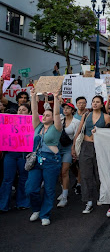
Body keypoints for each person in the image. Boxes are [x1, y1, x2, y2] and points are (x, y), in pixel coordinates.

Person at [25, 88, 62, 226]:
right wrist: (33, 97)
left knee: (49, 189)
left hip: (51, 161)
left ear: (52, 118)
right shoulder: (38, 127)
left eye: (48, 115)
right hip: (36, 161)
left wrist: (56, 98)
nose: (45, 116)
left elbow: (57, 113)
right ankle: (36, 209)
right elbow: (34, 112)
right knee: (31, 189)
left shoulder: (56, 128)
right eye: (44, 115)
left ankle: (45, 214)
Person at [72, 95, 110, 214]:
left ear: (102, 104)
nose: (95, 104)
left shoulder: (106, 117)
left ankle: (101, 195)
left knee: (100, 174)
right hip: (86, 146)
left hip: (100, 148)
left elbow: (109, 134)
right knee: (85, 174)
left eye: (97, 102)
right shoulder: (86, 115)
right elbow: (79, 131)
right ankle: (88, 201)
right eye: (93, 101)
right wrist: (73, 146)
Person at [0, 104, 32, 212]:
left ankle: (22, 202)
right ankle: (3, 205)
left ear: (29, 113)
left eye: (24, 110)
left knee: (24, 178)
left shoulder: (32, 123)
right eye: (19, 110)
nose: (21, 112)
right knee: (7, 179)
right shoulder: (9, 122)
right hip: (10, 154)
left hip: (23, 155)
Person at [56, 101, 80, 208]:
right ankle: (63, 190)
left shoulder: (76, 122)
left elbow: (76, 137)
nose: (65, 110)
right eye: (64, 108)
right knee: (59, 172)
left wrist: (74, 149)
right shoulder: (60, 119)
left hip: (69, 148)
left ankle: (65, 197)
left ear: (72, 110)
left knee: (64, 170)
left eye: (68, 108)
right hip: (57, 148)